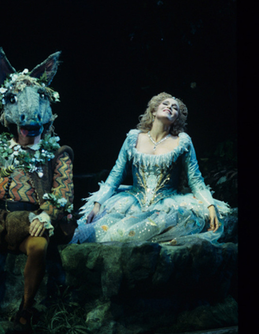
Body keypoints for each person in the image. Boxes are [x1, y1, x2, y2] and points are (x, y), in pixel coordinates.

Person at [0, 48, 76, 331]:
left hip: (29, 222)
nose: (28, 130)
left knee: (39, 247)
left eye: (33, 127)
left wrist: (46, 215)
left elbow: (64, 192)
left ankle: (25, 308)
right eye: (23, 126)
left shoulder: (58, 152)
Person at [70, 92, 231, 245]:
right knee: (103, 224)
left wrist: (210, 205)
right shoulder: (134, 138)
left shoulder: (183, 141)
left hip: (166, 203)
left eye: (175, 108)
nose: (170, 107)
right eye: (166, 103)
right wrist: (98, 203)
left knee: (181, 219)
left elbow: (195, 179)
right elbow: (116, 175)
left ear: (177, 118)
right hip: (132, 200)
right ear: (154, 110)